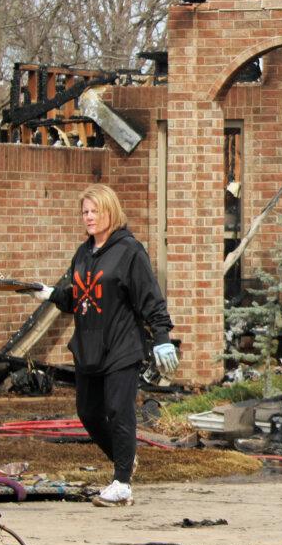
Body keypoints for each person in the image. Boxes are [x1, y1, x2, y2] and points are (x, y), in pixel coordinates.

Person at [26, 184, 176, 507]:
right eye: (85, 212)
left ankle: (122, 483)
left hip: (121, 344)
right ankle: (125, 460)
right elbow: (74, 298)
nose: (90, 217)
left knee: (119, 411)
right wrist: (49, 292)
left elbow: (150, 297)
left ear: (111, 211)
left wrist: (162, 337)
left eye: (95, 211)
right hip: (88, 346)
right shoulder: (83, 253)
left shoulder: (129, 251)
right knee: (88, 412)